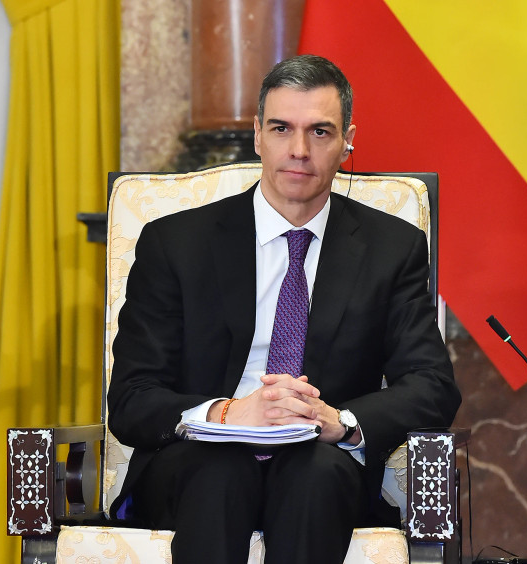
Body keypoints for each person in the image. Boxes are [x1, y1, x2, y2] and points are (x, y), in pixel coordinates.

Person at [107, 54, 461, 564]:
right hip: (197, 462)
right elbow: (133, 397)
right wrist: (229, 415)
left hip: (322, 461)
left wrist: (340, 420)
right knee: (220, 472)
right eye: (281, 129)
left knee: (315, 473)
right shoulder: (175, 244)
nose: (298, 151)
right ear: (257, 135)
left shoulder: (392, 248)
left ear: (347, 141)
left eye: (320, 132)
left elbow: (433, 385)